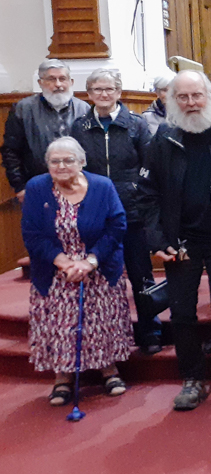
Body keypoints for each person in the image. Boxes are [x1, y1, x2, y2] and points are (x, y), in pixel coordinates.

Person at [136, 70, 211, 411]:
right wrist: (157, 238)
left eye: (196, 96)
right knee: (183, 314)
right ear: (173, 101)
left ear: (209, 97)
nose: (190, 103)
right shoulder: (163, 138)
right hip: (181, 243)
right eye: (183, 97)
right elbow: (147, 193)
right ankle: (192, 379)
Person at [21, 137, 132, 405]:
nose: (61, 166)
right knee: (60, 326)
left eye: (68, 160)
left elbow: (117, 226)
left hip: (98, 267)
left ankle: (109, 371)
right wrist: (63, 262)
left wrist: (89, 262)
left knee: (102, 321)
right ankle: (63, 378)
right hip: (56, 270)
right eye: (54, 161)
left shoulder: (102, 186)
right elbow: (32, 233)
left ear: (82, 162)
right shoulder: (37, 188)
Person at [71, 68, 162, 355]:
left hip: (131, 210)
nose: (104, 94)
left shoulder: (135, 124)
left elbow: (149, 166)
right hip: (95, 211)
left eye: (109, 89)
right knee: (102, 276)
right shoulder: (79, 127)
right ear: (89, 94)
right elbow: (76, 167)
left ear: (119, 92)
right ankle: (111, 334)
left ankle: (150, 330)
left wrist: (137, 192)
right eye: (97, 90)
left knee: (140, 273)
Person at [2, 60, 90, 202]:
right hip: (36, 187)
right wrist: (19, 186)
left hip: (77, 187)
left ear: (71, 81)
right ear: (40, 82)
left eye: (62, 79)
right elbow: (10, 151)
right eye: (51, 79)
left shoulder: (84, 109)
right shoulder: (23, 109)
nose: (58, 85)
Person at [142, 72, 175, 136]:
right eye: (165, 90)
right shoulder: (146, 117)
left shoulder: (184, 115)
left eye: (173, 90)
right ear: (157, 92)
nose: (169, 94)